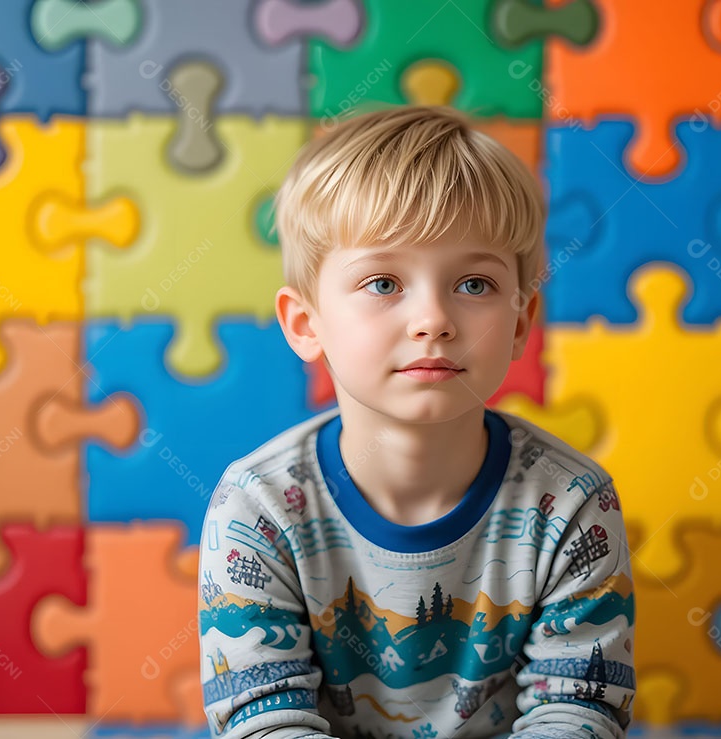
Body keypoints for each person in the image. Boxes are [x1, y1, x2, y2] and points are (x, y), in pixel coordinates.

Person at [197, 105, 636, 739]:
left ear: (519, 323)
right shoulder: (258, 506)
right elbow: (261, 717)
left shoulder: (571, 503)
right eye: (382, 282)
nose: (433, 320)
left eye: (475, 284)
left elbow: (580, 708)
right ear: (305, 323)